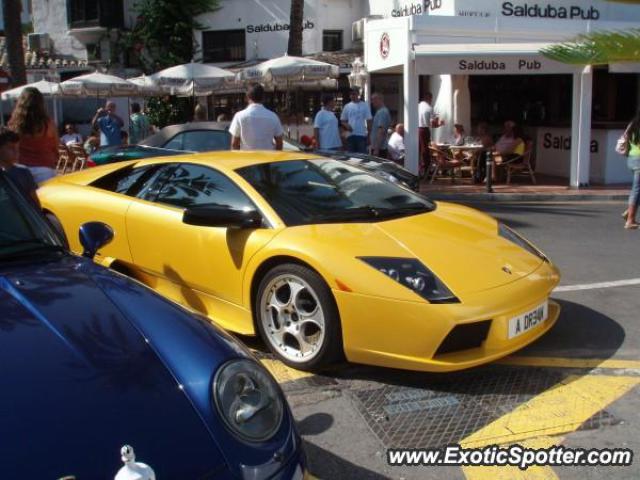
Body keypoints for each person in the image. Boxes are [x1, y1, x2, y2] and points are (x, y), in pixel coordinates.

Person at [8, 87, 59, 184]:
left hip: (21, 170)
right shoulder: (48, 124)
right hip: (45, 169)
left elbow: (11, 147)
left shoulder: (14, 124)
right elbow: (56, 146)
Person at [229, 83, 284, 151]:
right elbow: (280, 143)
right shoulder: (273, 117)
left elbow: (234, 144)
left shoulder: (239, 116)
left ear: (247, 97)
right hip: (268, 159)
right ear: (263, 97)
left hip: (247, 160)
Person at [0, 127, 40, 208]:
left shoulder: (23, 172)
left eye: (17, 147)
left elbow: (34, 201)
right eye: (10, 148)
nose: (16, 151)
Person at [622, 111, 640, 229]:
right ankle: (630, 220)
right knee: (636, 189)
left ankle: (629, 212)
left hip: (631, 158)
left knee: (638, 188)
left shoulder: (632, 124)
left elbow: (625, 139)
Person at [340, 87, 372, 154]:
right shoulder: (347, 106)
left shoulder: (364, 105)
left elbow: (369, 120)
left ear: (358, 94)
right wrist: (347, 125)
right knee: (351, 158)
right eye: (351, 94)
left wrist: (369, 136)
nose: (352, 96)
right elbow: (342, 120)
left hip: (361, 135)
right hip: (350, 136)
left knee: (362, 157)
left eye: (354, 94)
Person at [418, 92, 443, 168]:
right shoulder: (429, 108)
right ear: (430, 98)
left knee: (419, 149)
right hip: (424, 130)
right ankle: (426, 169)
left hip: (416, 129)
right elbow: (433, 124)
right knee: (425, 150)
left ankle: (420, 168)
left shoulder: (417, 106)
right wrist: (440, 124)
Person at [370, 93, 392, 158]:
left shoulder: (382, 112)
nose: (372, 102)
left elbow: (381, 131)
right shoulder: (381, 111)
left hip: (380, 149)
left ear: (379, 100)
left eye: (373, 99)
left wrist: (376, 149)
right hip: (379, 147)